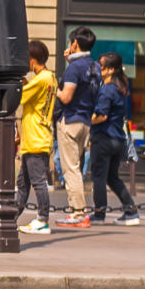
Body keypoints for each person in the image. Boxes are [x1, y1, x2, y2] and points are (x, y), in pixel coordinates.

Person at [53, 27, 99, 225]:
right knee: (76, 168)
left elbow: (66, 96)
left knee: (70, 169)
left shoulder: (75, 67)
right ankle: (78, 211)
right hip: (85, 123)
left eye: (70, 43)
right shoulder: (94, 66)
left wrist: (53, 87)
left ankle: (78, 213)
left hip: (70, 120)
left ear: (75, 44)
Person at [90, 51, 140, 223]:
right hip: (117, 139)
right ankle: (131, 210)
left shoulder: (107, 90)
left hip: (103, 138)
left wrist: (86, 121)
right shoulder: (120, 89)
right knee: (111, 177)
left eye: (101, 65)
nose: (99, 68)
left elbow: (102, 115)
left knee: (98, 177)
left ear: (110, 70)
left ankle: (99, 214)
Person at [17, 39, 57, 234]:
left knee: (38, 182)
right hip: (36, 138)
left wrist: (19, 78)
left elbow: (22, 96)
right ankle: (13, 216)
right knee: (23, 183)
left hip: (36, 139)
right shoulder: (48, 77)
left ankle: (43, 220)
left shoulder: (42, 79)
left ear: (32, 59)